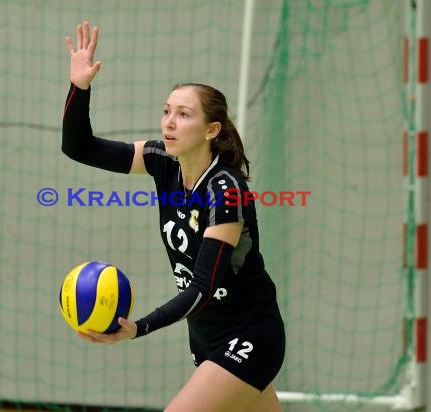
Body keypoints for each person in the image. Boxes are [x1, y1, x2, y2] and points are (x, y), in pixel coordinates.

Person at [61, 21, 285, 412]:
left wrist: (138, 328)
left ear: (211, 129)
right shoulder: (162, 161)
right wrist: (80, 87)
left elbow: (201, 287)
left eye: (183, 115)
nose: (169, 122)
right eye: (167, 111)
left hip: (249, 335)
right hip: (206, 337)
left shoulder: (225, 191)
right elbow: (79, 147)